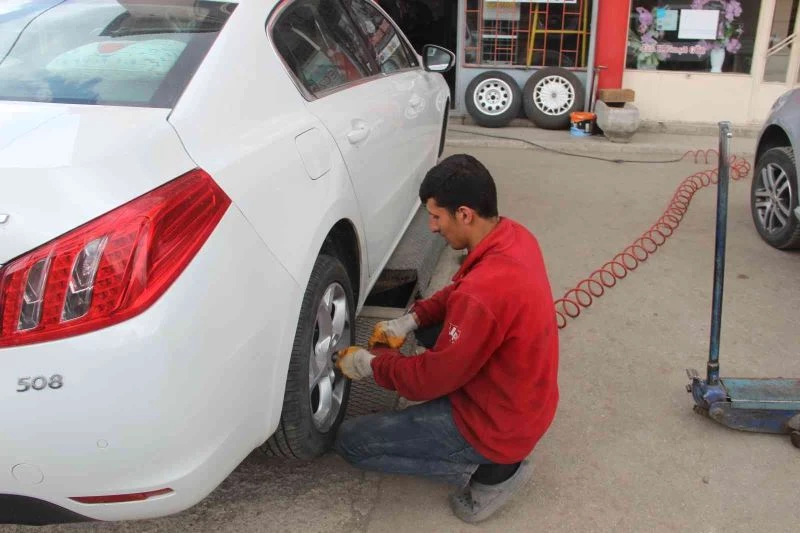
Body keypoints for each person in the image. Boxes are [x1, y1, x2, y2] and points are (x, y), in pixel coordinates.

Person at [334, 154, 559, 523]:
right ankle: (493, 457)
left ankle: (490, 473)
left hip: (494, 426)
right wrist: (411, 319)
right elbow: (460, 290)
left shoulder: (483, 295)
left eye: (437, 217)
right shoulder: (513, 236)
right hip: (524, 401)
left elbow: (426, 381)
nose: (432, 227)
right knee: (435, 330)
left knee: (353, 442)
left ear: (465, 214)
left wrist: (371, 364)